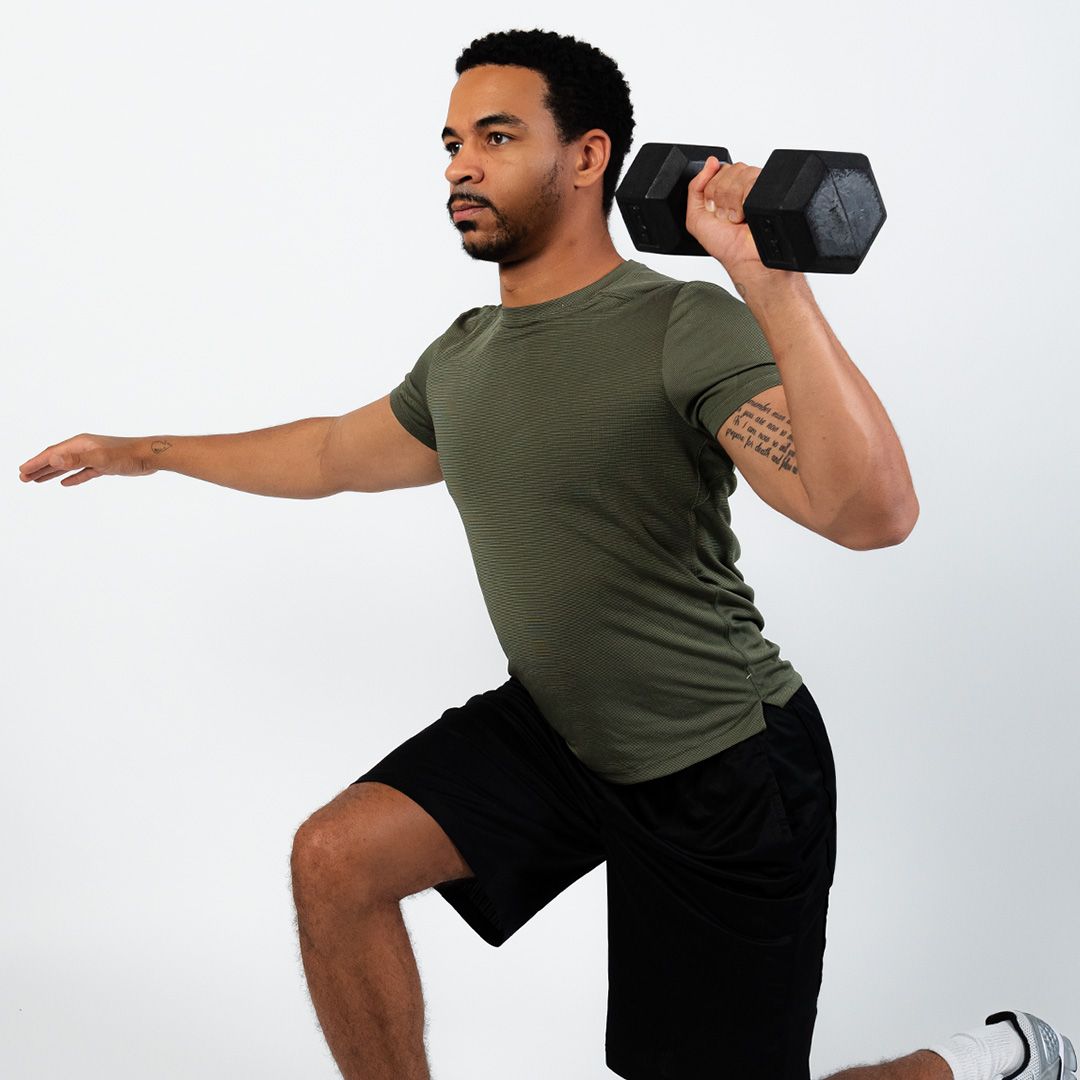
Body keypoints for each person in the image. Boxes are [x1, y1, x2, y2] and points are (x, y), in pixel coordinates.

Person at [18, 26, 1073, 1080]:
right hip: (565, 733)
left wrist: (770, 279)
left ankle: (991, 1060)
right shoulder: (464, 359)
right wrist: (142, 450)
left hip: (725, 762)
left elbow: (870, 512)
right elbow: (335, 452)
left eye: (495, 135)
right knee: (336, 859)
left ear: (587, 156)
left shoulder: (680, 323)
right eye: (449, 143)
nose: (459, 165)